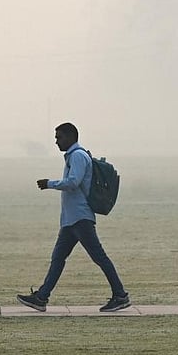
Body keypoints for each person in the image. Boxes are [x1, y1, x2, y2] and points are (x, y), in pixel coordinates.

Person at [17, 122, 130, 313]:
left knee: (99, 257)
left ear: (70, 137)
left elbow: (73, 182)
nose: (56, 142)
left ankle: (120, 295)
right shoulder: (74, 156)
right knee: (58, 258)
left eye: (59, 137)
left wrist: (49, 183)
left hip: (80, 218)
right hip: (71, 220)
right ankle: (41, 297)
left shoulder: (78, 156)